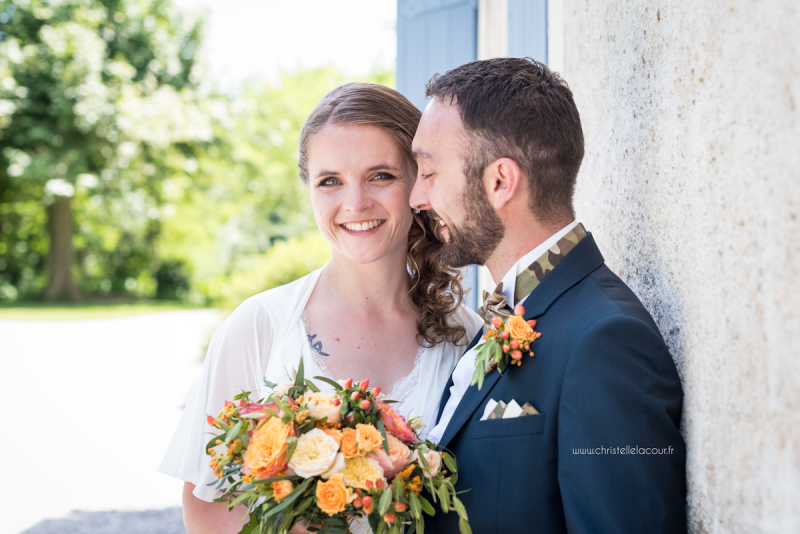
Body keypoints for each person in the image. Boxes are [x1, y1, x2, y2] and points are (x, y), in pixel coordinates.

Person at [159, 83, 483, 534]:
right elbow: (206, 507)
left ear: (418, 183)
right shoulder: (261, 326)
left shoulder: (468, 338)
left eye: (381, 175)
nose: (355, 203)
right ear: (309, 190)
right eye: (330, 181)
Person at [410, 58, 687, 533]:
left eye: (429, 173)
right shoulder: (508, 311)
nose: (417, 196)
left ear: (500, 182)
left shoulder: (606, 342)